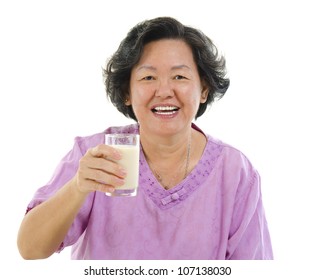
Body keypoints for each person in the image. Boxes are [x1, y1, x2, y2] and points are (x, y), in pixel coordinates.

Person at [17, 16, 273, 260]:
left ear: (203, 89)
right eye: (148, 77)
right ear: (127, 92)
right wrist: (78, 186)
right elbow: (30, 249)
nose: (164, 91)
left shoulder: (235, 172)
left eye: (179, 77)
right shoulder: (95, 153)